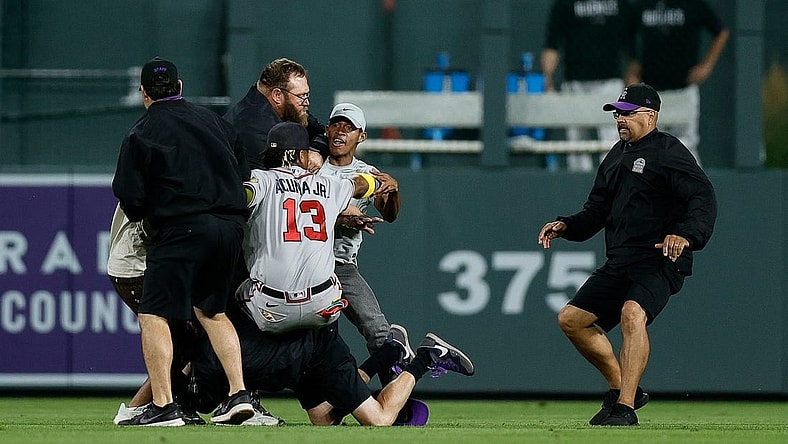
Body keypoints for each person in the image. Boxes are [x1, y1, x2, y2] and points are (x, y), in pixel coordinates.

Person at [212, 121, 474, 426]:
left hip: (269, 309)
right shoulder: (330, 185)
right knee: (330, 418)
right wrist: (382, 184)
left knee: (221, 299)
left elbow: (237, 196)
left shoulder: (262, 180)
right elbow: (361, 184)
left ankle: (424, 358)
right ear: (301, 155)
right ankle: (389, 354)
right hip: (322, 309)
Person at [537, 83, 717, 426]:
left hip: (660, 256)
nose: (621, 119)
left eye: (629, 113)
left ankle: (625, 408)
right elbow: (596, 212)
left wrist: (686, 235)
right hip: (621, 260)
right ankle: (621, 389)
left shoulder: (668, 151)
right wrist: (566, 226)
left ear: (651, 116)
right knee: (571, 320)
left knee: (632, 313)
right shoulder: (615, 155)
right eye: (618, 113)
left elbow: (702, 197)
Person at [112, 57, 254, 426]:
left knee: (153, 313)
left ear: (144, 93)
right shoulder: (215, 122)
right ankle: (238, 394)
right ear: (180, 87)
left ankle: (163, 405)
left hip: (183, 228)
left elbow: (130, 198)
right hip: (229, 227)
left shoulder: (141, 132)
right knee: (213, 312)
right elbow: (242, 174)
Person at [106, 204, 282, 427]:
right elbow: (136, 197)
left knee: (190, 338)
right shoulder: (168, 173)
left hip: (167, 256)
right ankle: (148, 407)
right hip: (137, 263)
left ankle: (155, 406)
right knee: (181, 335)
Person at [318, 103, 401, 362]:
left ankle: (395, 397)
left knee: (380, 332)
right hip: (308, 263)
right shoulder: (313, 166)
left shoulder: (367, 174)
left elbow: (389, 215)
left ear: (361, 137)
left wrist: (393, 190)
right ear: (327, 130)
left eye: (349, 127)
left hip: (342, 266)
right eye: (336, 124)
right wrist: (343, 217)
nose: (340, 131)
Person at [625, 0, 730, 163]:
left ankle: (693, 188)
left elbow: (721, 32)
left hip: (683, 89)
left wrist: (706, 66)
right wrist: (633, 66)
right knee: (648, 149)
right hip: (651, 92)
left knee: (686, 148)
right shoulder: (644, 5)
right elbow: (628, 32)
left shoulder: (692, 4)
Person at [541, 0, 634, 172]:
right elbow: (552, 43)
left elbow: (632, 42)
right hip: (575, 84)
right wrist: (548, 80)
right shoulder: (565, 4)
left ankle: (613, 191)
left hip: (610, 84)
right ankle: (581, 193)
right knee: (576, 145)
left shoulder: (621, 4)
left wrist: (632, 79)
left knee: (613, 142)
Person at [223, 57, 328, 170]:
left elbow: (321, 132)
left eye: (307, 95)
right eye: (301, 96)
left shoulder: (289, 109)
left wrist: (316, 151)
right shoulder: (253, 131)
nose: (307, 102)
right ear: (277, 95)